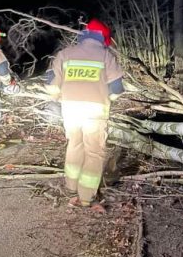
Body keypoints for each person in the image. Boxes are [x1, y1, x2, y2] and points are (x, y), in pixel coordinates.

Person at [45, 18, 124, 208]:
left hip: (70, 110)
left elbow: (50, 83)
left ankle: (71, 186)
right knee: (94, 152)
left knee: (74, 145)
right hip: (95, 112)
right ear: (104, 38)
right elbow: (117, 88)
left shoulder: (65, 54)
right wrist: (107, 99)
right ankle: (87, 195)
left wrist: (57, 99)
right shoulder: (106, 56)